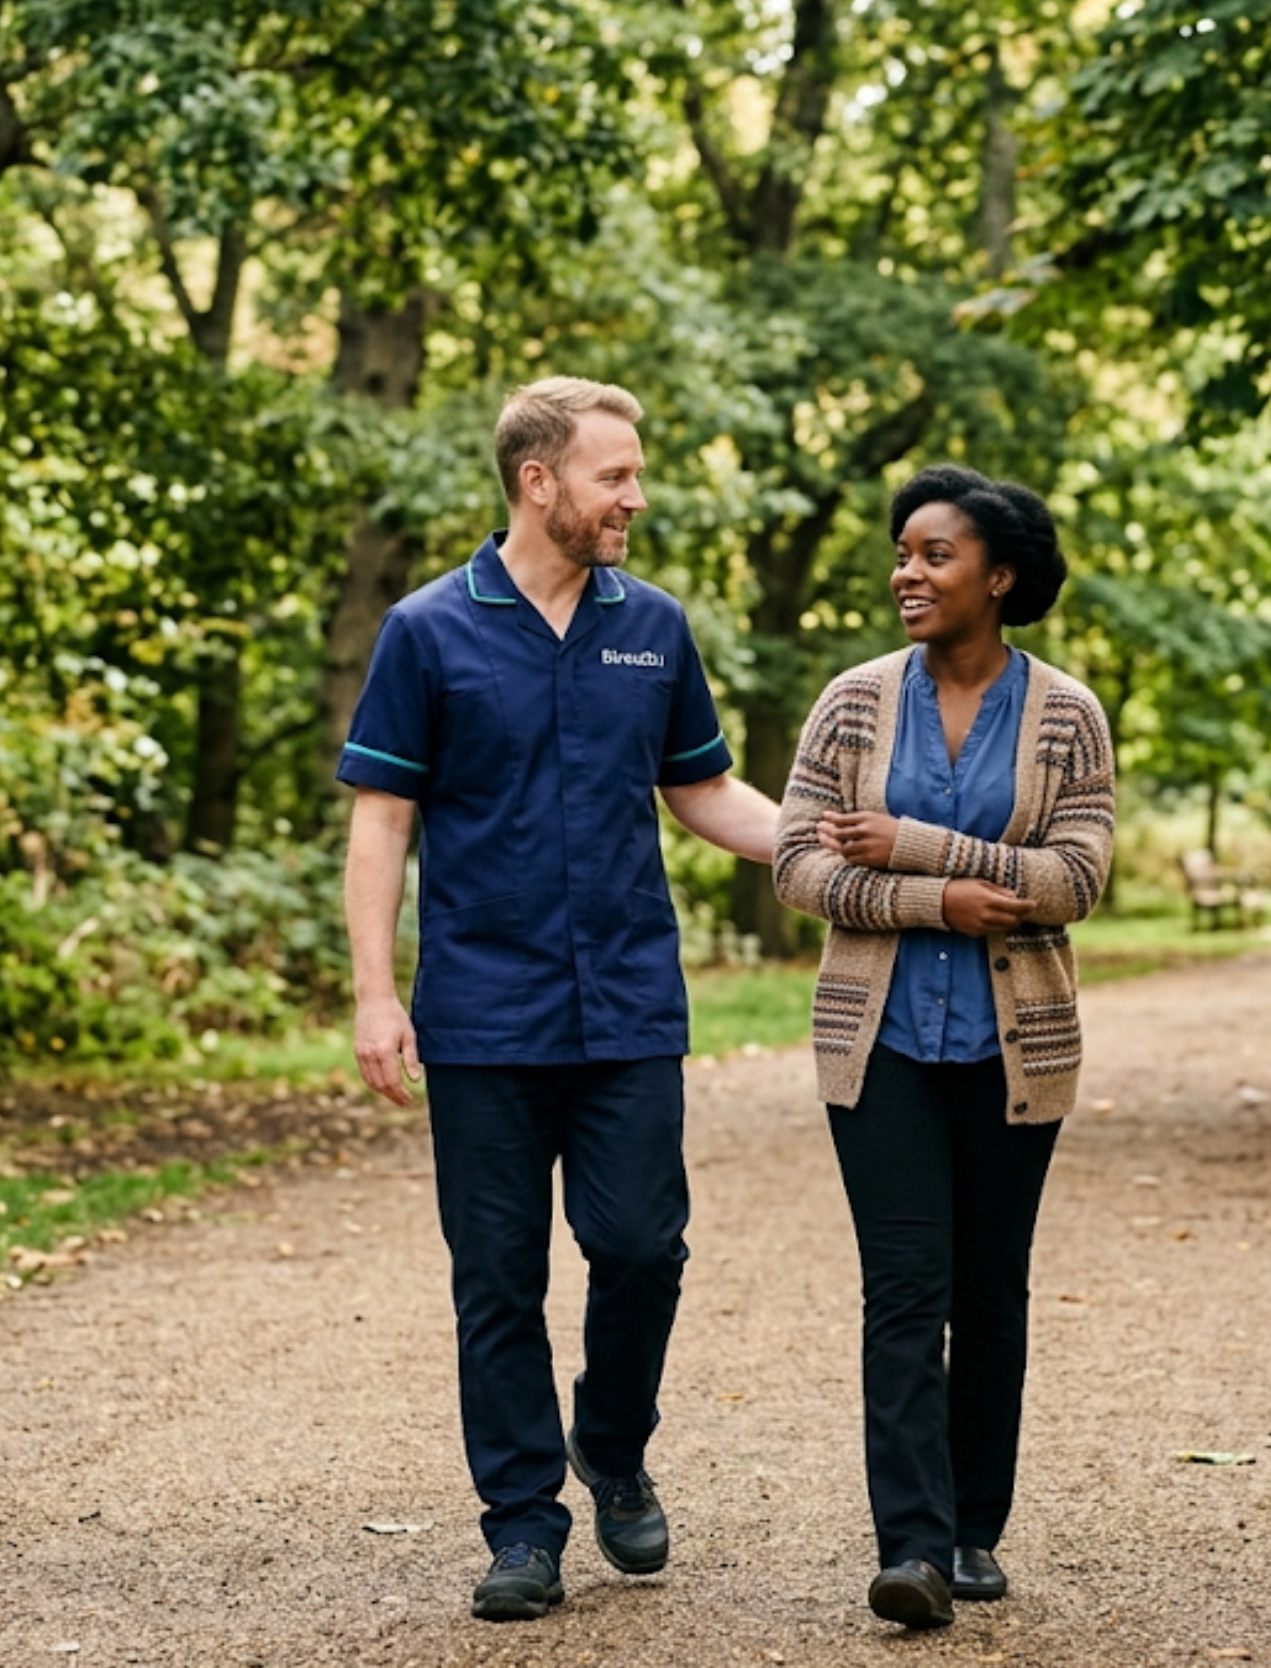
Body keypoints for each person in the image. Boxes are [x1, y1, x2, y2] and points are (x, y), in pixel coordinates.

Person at [337, 377, 779, 1623]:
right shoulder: (428, 630)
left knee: (643, 1248)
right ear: (541, 483)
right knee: (496, 1277)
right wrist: (378, 998)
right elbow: (383, 823)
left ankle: (614, 1442)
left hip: (630, 1002)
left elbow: (703, 793)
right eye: (615, 476)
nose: (635, 496)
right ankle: (523, 1526)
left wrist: (825, 845)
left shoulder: (655, 628)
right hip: (481, 1012)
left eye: (634, 475)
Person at [773, 464, 1114, 1630]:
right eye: (903, 553)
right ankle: (911, 1548)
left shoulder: (1067, 714)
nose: (905, 573)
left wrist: (920, 848)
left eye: (934, 556)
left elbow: (1078, 878)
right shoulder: (852, 702)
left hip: (1017, 1050)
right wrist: (938, 904)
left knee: (990, 1291)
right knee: (906, 1291)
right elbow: (799, 865)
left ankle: (975, 1529)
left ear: (1000, 577)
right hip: (881, 1051)